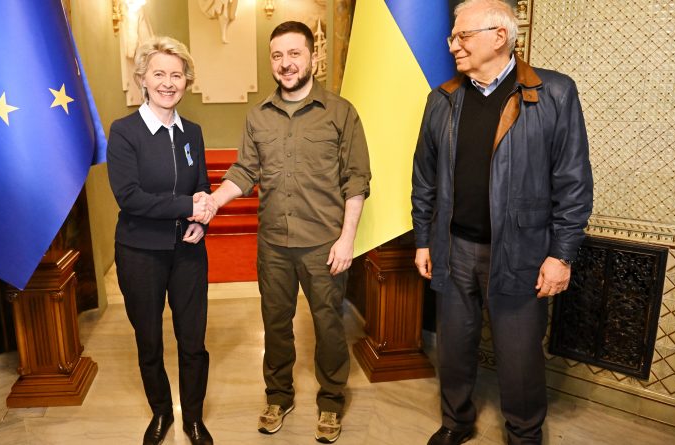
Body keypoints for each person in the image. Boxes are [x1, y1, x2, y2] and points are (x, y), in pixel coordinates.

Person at [411, 1, 593, 444]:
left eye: (462, 36)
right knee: (454, 350)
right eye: (453, 36)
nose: (452, 44)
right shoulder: (442, 99)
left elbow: (573, 183)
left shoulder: (554, 93)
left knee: (520, 357)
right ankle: (456, 423)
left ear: (500, 36)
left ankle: (525, 433)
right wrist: (422, 240)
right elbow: (423, 178)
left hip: (523, 253)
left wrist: (561, 255)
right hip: (454, 249)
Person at [208, 21, 371, 444]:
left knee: (329, 326)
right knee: (275, 323)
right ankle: (278, 396)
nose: (286, 64)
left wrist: (347, 239)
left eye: (294, 54)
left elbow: (357, 180)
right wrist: (213, 200)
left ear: (312, 56)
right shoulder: (258, 116)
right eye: (277, 56)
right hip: (274, 247)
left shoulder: (341, 112)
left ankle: (331, 402)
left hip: (324, 245)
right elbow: (244, 171)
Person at [107, 36, 215, 445]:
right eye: (159, 74)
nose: (168, 82)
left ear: (186, 81)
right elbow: (129, 197)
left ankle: (193, 418)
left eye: (176, 74)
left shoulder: (193, 133)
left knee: (193, 341)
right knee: (149, 340)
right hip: (139, 254)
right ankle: (161, 412)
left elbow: (202, 187)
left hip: (188, 252)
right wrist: (188, 204)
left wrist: (201, 221)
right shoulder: (124, 132)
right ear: (142, 80)